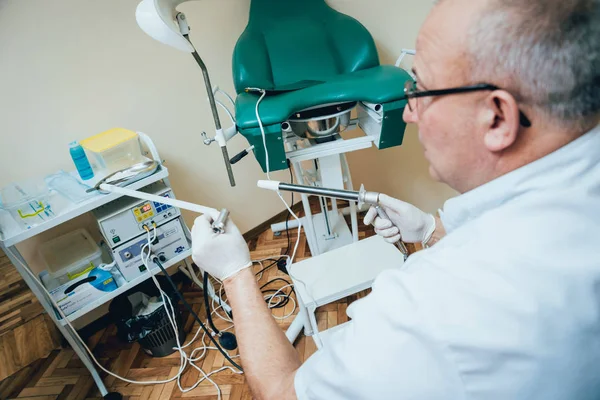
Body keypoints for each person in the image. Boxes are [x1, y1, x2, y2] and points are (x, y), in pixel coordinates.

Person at [191, 0, 600, 398]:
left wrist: (235, 272)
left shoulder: (433, 309)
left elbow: (282, 393)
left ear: (496, 117)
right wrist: (429, 229)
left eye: (420, 89)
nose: (408, 111)